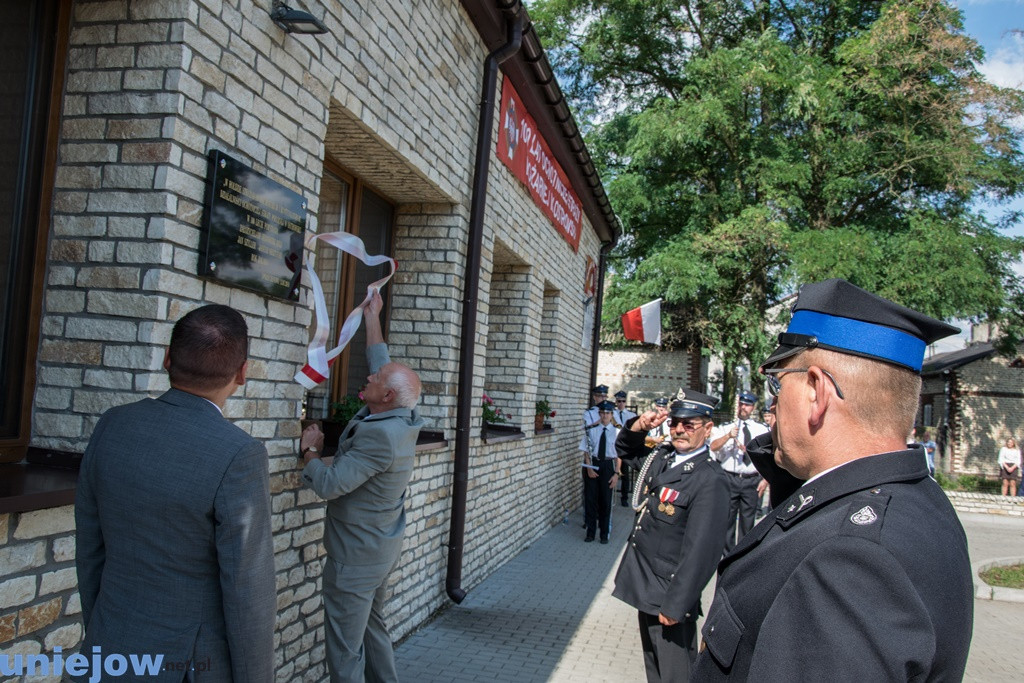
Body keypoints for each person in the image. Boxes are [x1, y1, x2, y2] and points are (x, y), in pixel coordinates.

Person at [692, 278, 974, 681]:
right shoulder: (918, 499)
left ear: (816, 392)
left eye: (777, 382)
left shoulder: (849, 558)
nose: (773, 402)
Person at [75, 304, 276, 682]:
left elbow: (89, 547)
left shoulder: (112, 425)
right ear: (243, 373)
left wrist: (102, 630)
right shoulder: (239, 454)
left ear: (167, 358)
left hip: (109, 647)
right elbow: (248, 590)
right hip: (188, 664)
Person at [300, 290, 424, 683]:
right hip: (379, 550)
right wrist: (373, 316)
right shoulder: (402, 411)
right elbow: (381, 364)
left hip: (354, 558)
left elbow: (332, 484)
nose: (368, 376)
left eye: (375, 381)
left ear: (385, 396)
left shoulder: (380, 437)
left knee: (344, 649)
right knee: (373, 629)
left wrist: (311, 452)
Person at [613, 391, 730, 682]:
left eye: (689, 424)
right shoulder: (662, 457)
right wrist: (640, 425)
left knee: (675, 674)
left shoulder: (709, 479)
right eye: (675, 422)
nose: (679, 429)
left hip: (670, 593)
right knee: (655, 670)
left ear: (707, 427)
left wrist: (678, 603)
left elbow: (702, 550)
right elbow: (626, 451)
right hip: (646, 584)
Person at [710, 391, 769, 553]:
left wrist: (765, 479)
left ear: (753, 407)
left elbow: (767, 456)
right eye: (741, 404)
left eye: (748, 405)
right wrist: (728, 436)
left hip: (751, 480)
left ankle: (742, 555)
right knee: (727, 520)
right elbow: (713, 447)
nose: (744, 407)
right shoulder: (726, 427)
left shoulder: (760, 429)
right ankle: (727, 554)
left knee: (747, 520)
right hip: (730, 478)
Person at [579, 400, 621, 543]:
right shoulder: (591, 430)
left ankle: (604, 533)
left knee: (605, 500)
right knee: (591, 499)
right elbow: (586, 451)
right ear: (599, 414)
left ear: (612, 414)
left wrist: (616, 474)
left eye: (607, 413)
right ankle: (590, 533)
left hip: (608, 465)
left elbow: (619, 456)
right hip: (594, 464)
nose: (604, 416)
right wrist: (589, 468)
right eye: (602, 413)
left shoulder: (617, 432)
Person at [613, 391, 638, 506]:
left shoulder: (631, 415)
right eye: (619, 401)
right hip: (613, 447)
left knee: (625, 474)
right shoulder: (612, 414)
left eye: (623, 401)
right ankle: (611, 494)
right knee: (613, 472)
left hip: (625, 448)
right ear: (616, 402)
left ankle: (624, 497)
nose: (621, 404)